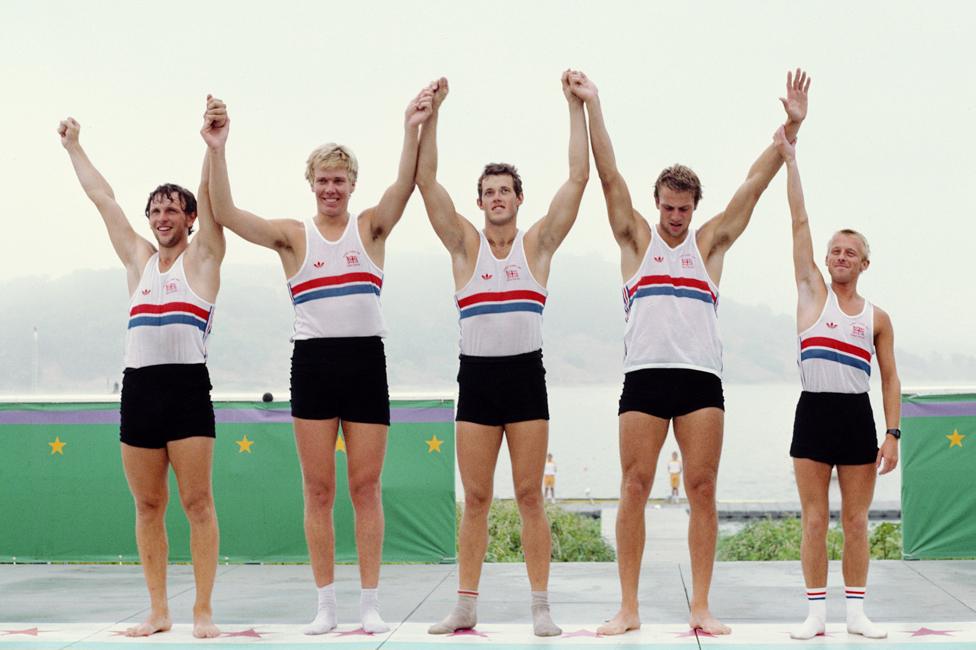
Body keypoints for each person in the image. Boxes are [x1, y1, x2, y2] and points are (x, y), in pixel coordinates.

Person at [570, 68, 811, 635]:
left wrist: (789, 129)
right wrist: (592, 104)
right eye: (668, 207)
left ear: (694, 207)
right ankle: (628, 608)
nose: (675, 217)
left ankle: (701, 606)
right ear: (657, 203)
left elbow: (753, 184)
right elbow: (608, 177)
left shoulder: (710, 244)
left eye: (684, 209)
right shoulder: (636, 239)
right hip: (645, 378)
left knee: (703, 489)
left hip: (701, 378)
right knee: (635, 485)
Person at [204, 85, 434, 635]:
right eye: (323, 180)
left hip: (364, 363)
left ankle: (370, 602)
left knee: (366, 487)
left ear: (352, 185)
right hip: (312, 364)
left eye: (340, 180)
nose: (331, 188)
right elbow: (227, 213)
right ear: (311, 184)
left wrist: (412, 126)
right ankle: (326, 605)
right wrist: (217, 147)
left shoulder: (371, 227)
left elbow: (405, 186)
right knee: (318, 489)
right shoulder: (291, 237)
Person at [416, 72, 589, 637]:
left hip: (525, 378)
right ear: (479, 202)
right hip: (478, 380)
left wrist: (574, 106)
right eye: (488, 192)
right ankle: (465, 605)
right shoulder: (464, 247)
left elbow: (579, 178)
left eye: (504, 191)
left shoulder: (537, 246)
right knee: (476, 497)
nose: (496, 199)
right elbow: (425, 180)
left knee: (528, 496)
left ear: (518, 200)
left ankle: (540, 606)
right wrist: (432, 114)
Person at [58, 108, 225, 639]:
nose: (160, 218)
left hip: (186, 388)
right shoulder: (139, 260)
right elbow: (103, 200)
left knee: (198, 503)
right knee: (148, 505)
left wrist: (212, 145)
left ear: (190, 218)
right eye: (155, 210)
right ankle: (158, 611)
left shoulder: (202, 259)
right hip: (140, 389)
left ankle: (202, 610)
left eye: (172, 210)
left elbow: (213, 199)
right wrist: (74, 147)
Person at [773, 127, 900, 640]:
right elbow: (799, 220)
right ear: (825, 259)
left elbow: (889, 376)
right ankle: (816, 615)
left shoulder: (877, 317)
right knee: (812, 519)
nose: (840, 258)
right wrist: (791, 158)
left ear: (864, 263)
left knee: (855, 521)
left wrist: (893, 434)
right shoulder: (811, 295)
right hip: (814, 410)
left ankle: (856, 614)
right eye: (834, 251)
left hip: (855, 415)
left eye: (850, 253)